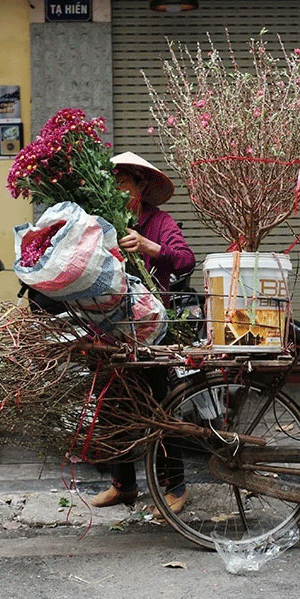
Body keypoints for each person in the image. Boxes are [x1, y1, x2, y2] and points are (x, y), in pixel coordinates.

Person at [90, 152, 195, 515]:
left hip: (152, 328)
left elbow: (185, 260)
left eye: (124, 182)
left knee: (159, 408)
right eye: (113, 182)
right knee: (111, 407)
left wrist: (151, 247)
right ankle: (123, 484)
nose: (118, 189)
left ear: (141, 186)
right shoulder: (103, 221)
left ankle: (175, 487)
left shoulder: (159, 221)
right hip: (111, 328)